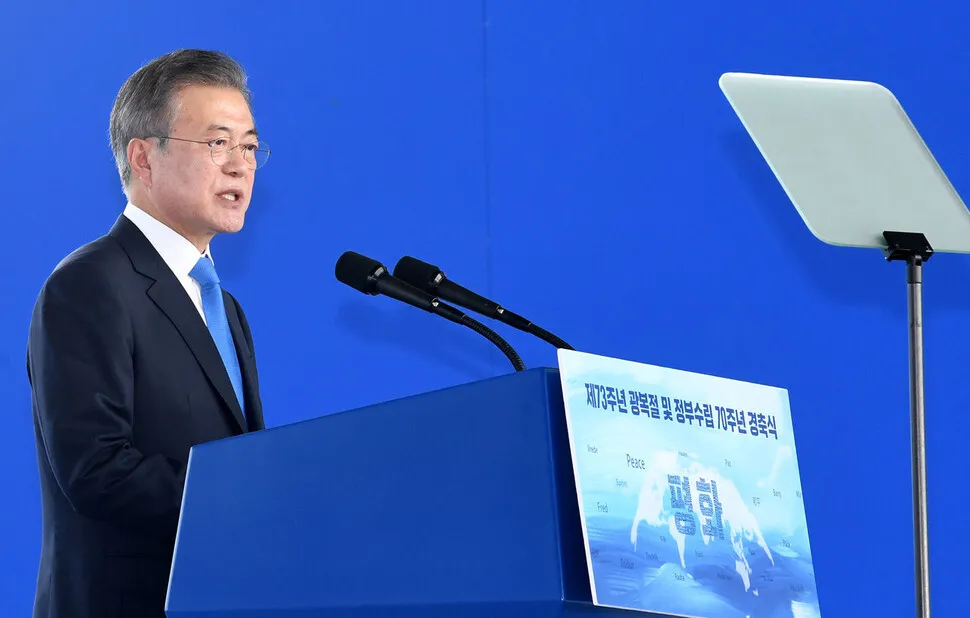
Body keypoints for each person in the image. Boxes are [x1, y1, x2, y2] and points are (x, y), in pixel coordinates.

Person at [26, 49, 269, 618]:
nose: (240, 164)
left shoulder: (224, 307)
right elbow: (96, 470)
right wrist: (251, 492)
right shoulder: (89, 284)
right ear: (144, 157)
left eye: (250, 145)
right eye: (217, 143)